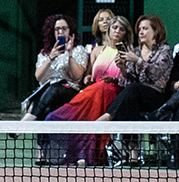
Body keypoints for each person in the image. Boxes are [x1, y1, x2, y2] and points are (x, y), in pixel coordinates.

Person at [44, 15, 132, 166]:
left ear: (126, 33)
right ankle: (81, 151)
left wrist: (121, 70)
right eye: (115, 28)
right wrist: (88, 77)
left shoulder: (129, 53)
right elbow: (89, 74)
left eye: (122, 29)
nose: (117, 31)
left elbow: (129, 80)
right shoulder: (97, 50)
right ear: (109, 30)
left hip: (113, 93)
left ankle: (85, 154)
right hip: (94, 90)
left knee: (99, 93)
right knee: (82, 108)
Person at [98, 14, 171, 165]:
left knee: (133, 91)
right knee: (129, 102)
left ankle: (109, 116)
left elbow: (158, 74)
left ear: (155, 31)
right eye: (140, 29)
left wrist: (137, 61)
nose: (141, 32)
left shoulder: (164, 50)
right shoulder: (136, 51)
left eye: (145, 29)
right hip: (136, 94)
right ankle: (133, 153)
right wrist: (123, 68)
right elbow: (128, 82)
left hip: (156, 96)